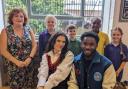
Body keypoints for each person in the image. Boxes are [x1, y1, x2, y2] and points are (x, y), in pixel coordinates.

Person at [0, 8, 37, 89]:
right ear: (11, 18)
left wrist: (29, 58)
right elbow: (2, 50)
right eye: (16, 16)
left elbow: (34, 45)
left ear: (24, 19)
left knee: (29, 85)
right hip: (14, 66)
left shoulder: (28, 29)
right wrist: (17, 62)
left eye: (21, 16)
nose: (19, 18)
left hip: (29, 64)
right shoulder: (5, 31)